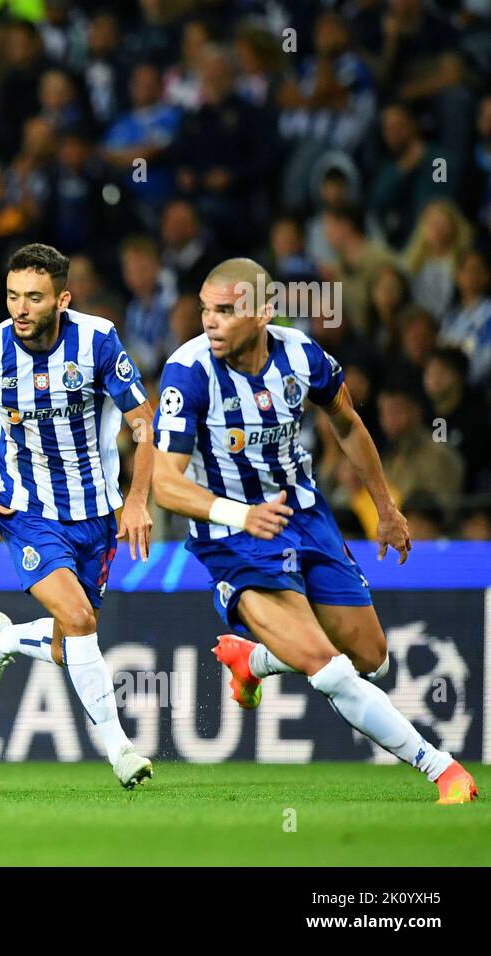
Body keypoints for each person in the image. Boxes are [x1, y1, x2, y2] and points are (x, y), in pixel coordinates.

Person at [151, 256, 477, 804]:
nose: (210, 322)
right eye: (206, 310)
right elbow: (165, 483)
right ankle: (442, 768)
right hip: (235, 540)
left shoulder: (302, 356)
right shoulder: (189, 372)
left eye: (226, 311)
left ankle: (252, 658)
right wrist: (240, 515)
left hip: (305, 517)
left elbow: (347, 421)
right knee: (327, 668)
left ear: (263, 313)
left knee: (371, 657)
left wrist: (386, 507)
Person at [0, 243, 157, 790]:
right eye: (12, 297)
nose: (20, 308)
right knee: (79, 620)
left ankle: (6, 640)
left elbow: (143, 424)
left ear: (62, 299)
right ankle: (120, 751)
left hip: (96, 511)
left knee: (71, 637)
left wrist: (139, 499)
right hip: (26, 511)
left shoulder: (98, 341)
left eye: (33, 297)